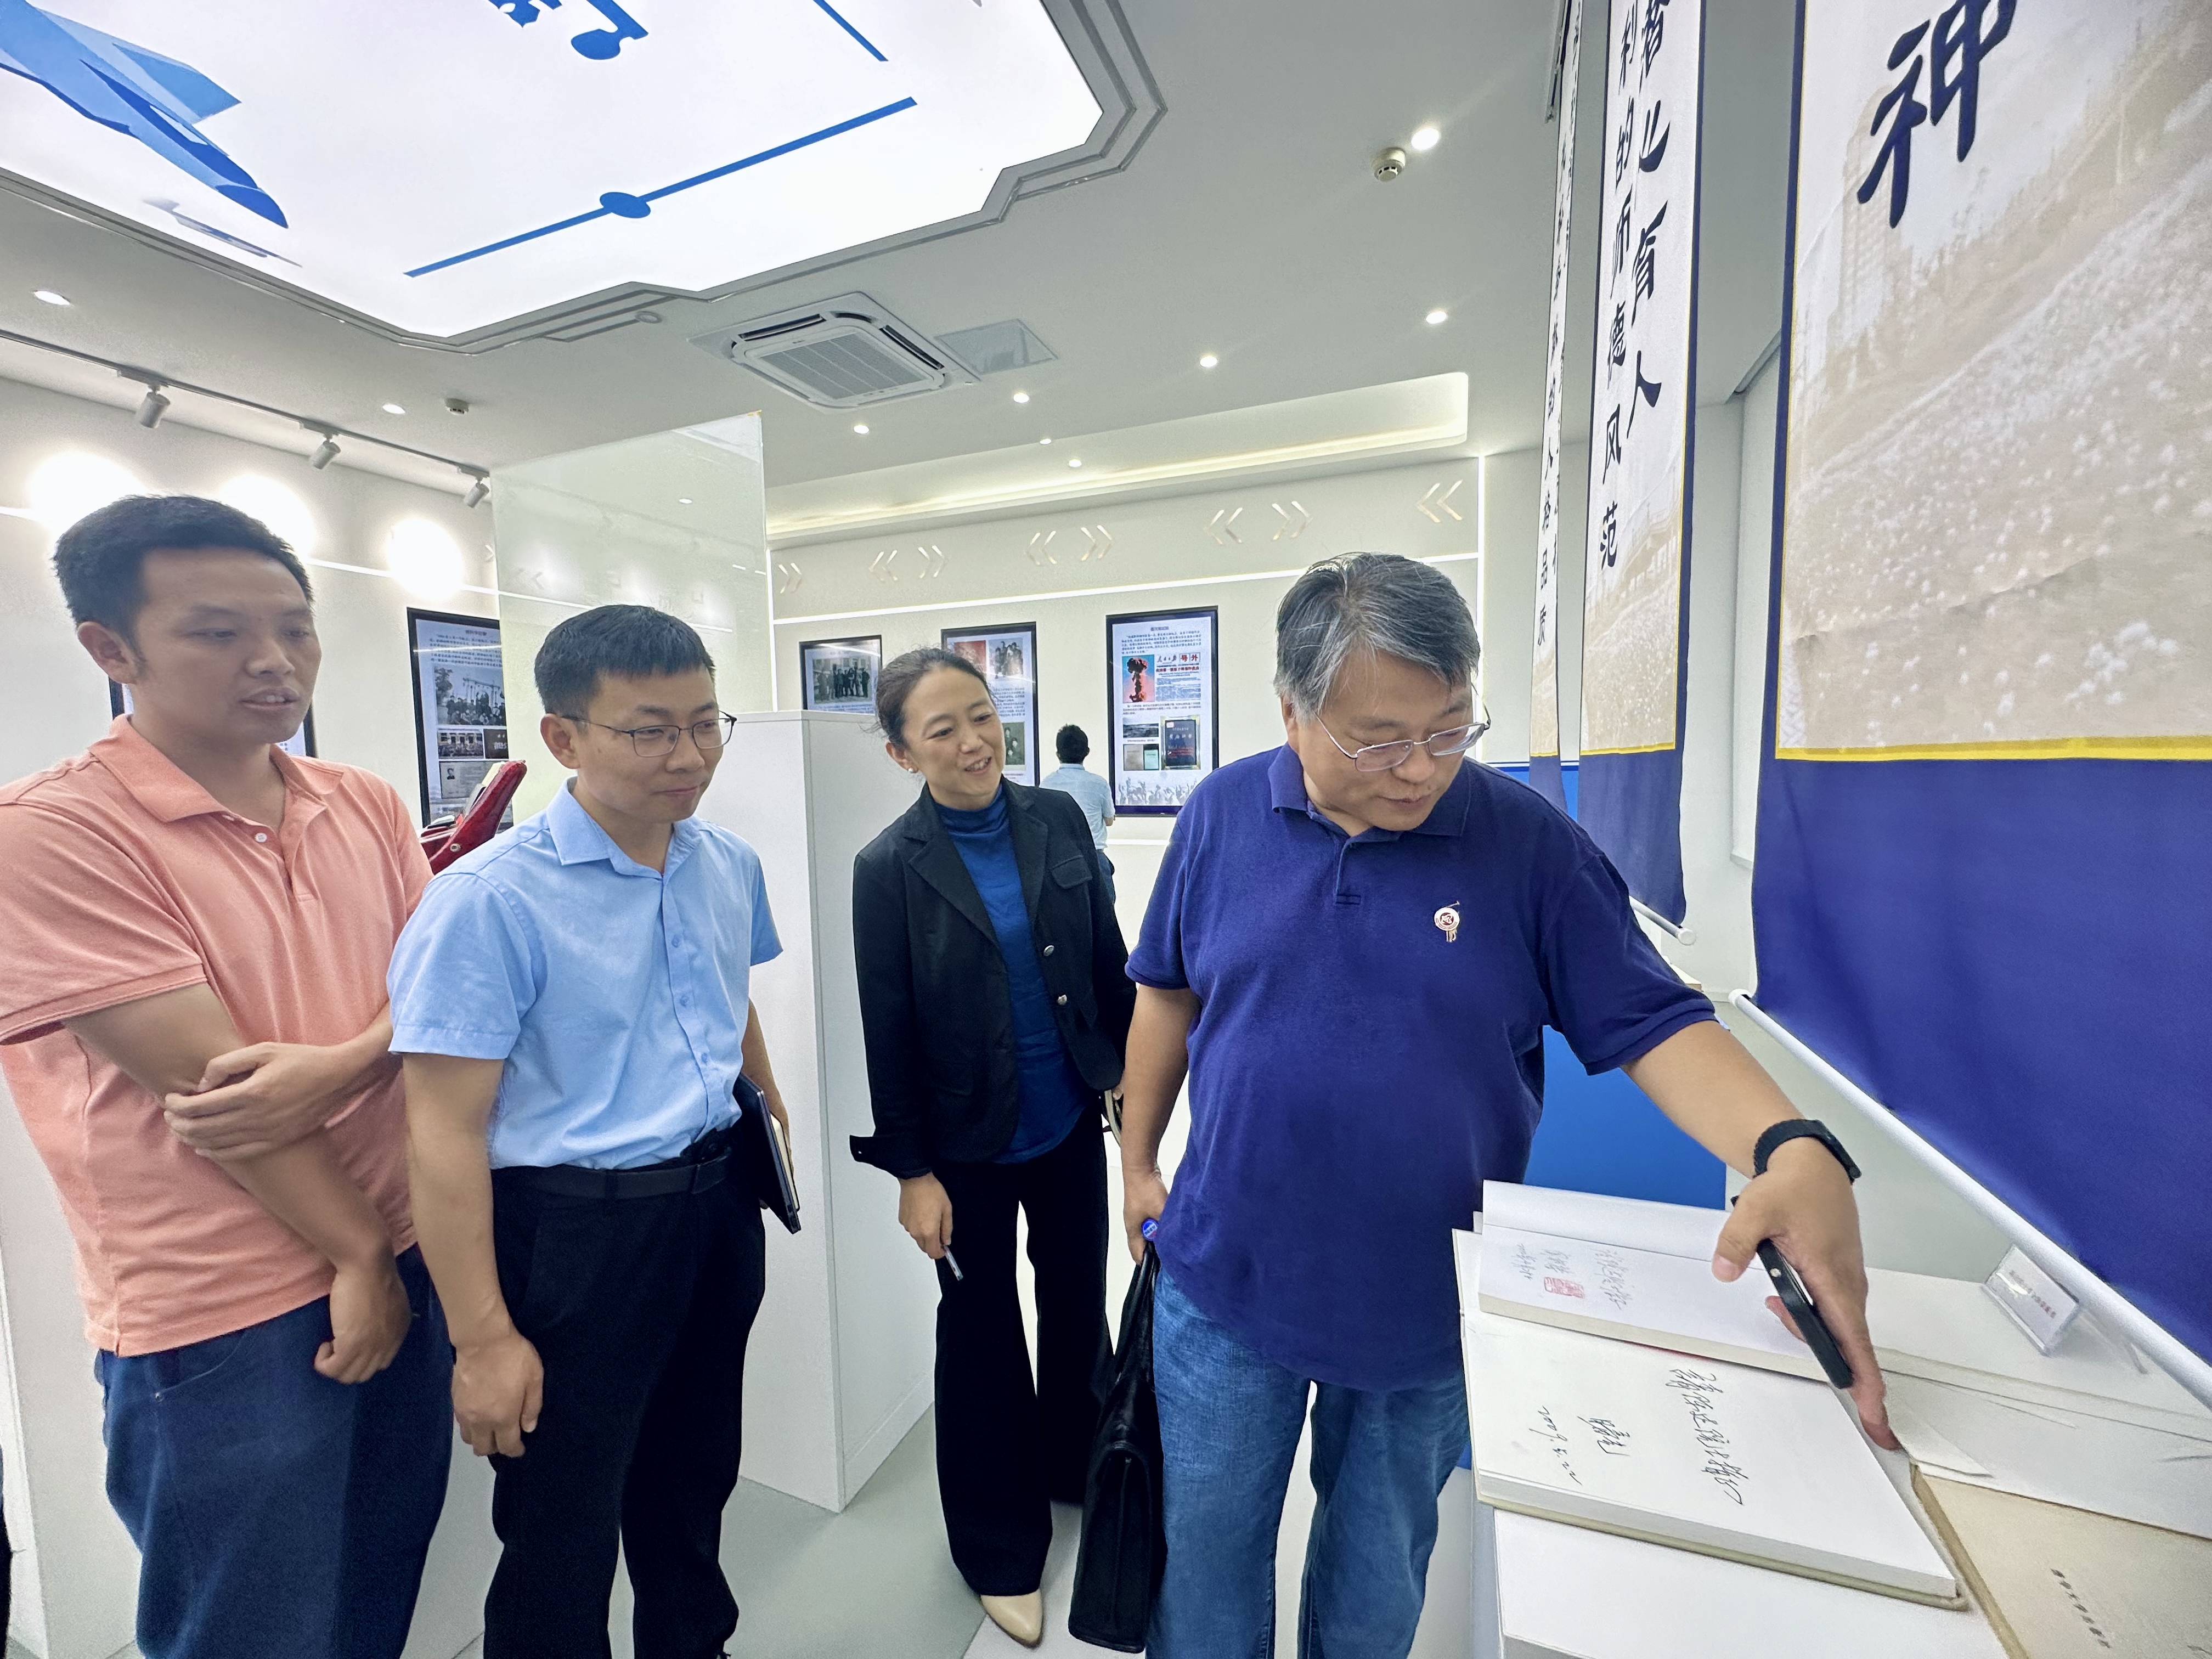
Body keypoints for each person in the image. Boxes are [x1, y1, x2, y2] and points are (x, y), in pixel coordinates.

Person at [1118, 554, 1897, 1657]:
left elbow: (1652, 1021)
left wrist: (1787, 1143)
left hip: (1425, 1296)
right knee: (1204, 1567)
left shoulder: (1528, 844)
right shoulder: (1218, 815)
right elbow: (1167, 990)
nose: (1420, 768)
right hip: (1224, 1274)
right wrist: (1137, 1159)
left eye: (1450, 729)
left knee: (1376, 1580)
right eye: (1379, 739)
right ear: (1291, 711)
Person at [0, 495, 452, 1659]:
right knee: (248, 1625)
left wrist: (346, 1063)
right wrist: (357, 1256)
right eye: (217, 632)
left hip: (406, 1242)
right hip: (222, 1305)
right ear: (111, 648)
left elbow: (445, 992)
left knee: (376, 1588)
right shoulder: (53, 831)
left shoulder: (361, 800)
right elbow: (224, 1097)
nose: (274, 660)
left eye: (295, 628)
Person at [389, 605, 788, 1659]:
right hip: (573, 1235)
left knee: (694, 1477)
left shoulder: (725, 860)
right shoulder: (487, 901)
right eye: (650, 729)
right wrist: (482, 1337)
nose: (688, 755)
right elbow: (439, 1132)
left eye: (705, 723)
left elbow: (727, 989)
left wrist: (767, 1099)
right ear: (562, 736)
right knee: (560, 1523)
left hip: (714, 1208)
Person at [850, 648, 1135, 1649]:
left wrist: (1127, 1078)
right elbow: (886, 1029)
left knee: (1076, 1303)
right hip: (961, 1147)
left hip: (1066, 1122)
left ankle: (1076, 1467)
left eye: (982, 715)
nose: (975, 742)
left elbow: (1105, 958)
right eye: (944, 730)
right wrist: (912, 1172)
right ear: (902, 753)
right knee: (978, 1335)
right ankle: (997, 1545)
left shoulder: (1055, 817)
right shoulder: (887, 868)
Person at [1041, 723, 1117, 902]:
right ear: (1087, 752)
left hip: (1059, 862)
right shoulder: (1099, 784)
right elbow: (1109, 820)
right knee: (1105, 913)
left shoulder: (1047, 784)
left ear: (1058, 754)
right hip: (1095, 859)